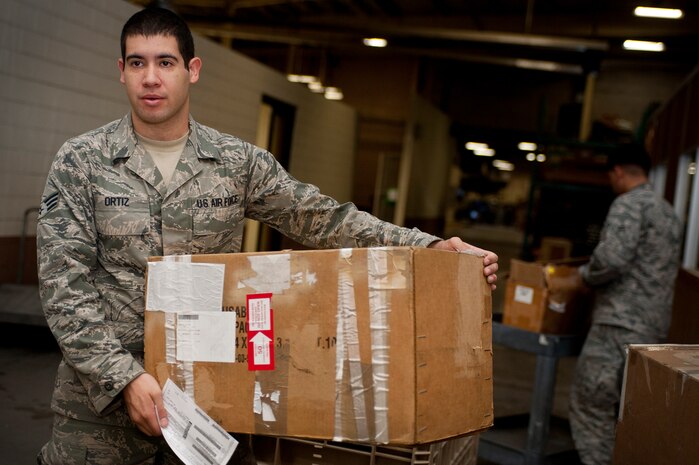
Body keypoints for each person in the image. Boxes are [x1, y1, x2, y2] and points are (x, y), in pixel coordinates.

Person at [35, 7, 498, 465]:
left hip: (211, 400)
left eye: (165, 62)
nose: (151, 78)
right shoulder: (83, 163)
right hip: (100, 409)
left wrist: (430, 247)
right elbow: (63, 288)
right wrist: (124, 379)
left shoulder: (237, 163)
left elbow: (324, 219)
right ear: (121, 71)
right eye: (137, 63)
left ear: (192, 70)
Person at [569, 142, 681, 465]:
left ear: (617, 172)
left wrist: (584, 276)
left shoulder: (628, 205)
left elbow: (611, 259)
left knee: (591, 406)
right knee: (627, 411)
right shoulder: (668, 213)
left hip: (617, 326)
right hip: (653, 332)